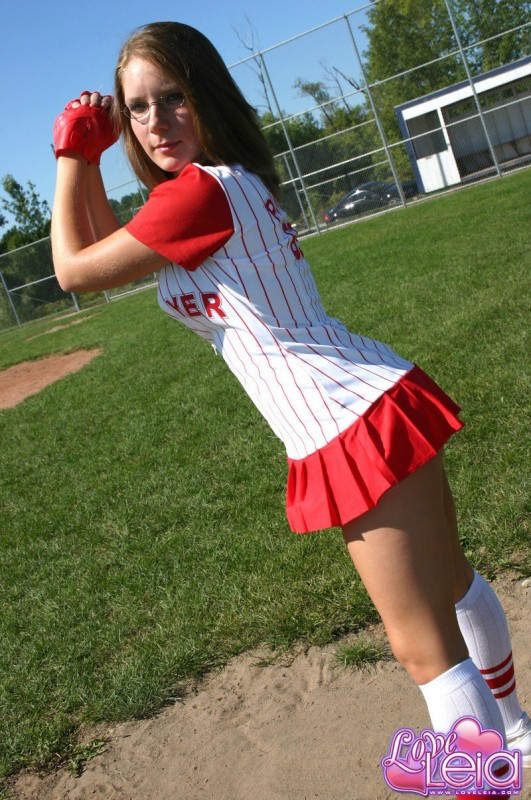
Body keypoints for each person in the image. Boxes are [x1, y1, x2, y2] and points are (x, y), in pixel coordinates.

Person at [51, 21, 529, 796]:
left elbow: (73, 269)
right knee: (452, 587)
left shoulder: (199, 193)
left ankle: (484, 778)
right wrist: (95, 158)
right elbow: (107, 253)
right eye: (136, 107)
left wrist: (72, 157)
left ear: (206, 95)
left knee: (423, 650)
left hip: (344, 420)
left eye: (173, 97)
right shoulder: (211, 186)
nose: (155, 120)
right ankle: (513, 735)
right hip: (362, 401)